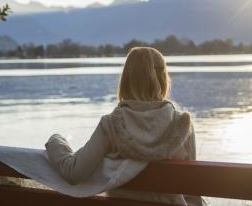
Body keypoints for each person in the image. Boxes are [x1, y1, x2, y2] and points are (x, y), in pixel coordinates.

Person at [44, 47, 198, 192]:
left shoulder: (111, 125)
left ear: (127, 79)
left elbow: (74, 173)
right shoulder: (182, 125)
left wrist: (56, 141)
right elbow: (191, 185)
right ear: (164, 79)